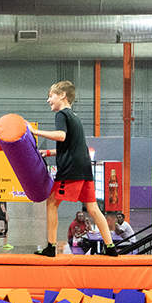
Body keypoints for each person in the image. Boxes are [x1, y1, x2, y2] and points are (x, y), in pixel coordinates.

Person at [32, 80, 118, 257]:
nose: (48, 100)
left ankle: (50, 247)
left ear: (62, 95)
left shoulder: (61, 114)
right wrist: (48, 152)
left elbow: (61, 136)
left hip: (71, 169)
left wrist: (34, 131)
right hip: (84, 168)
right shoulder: (74, 117)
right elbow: (72, 146)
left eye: (51, 96)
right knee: (93, 208)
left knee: (51, 202)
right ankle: (110, 247)